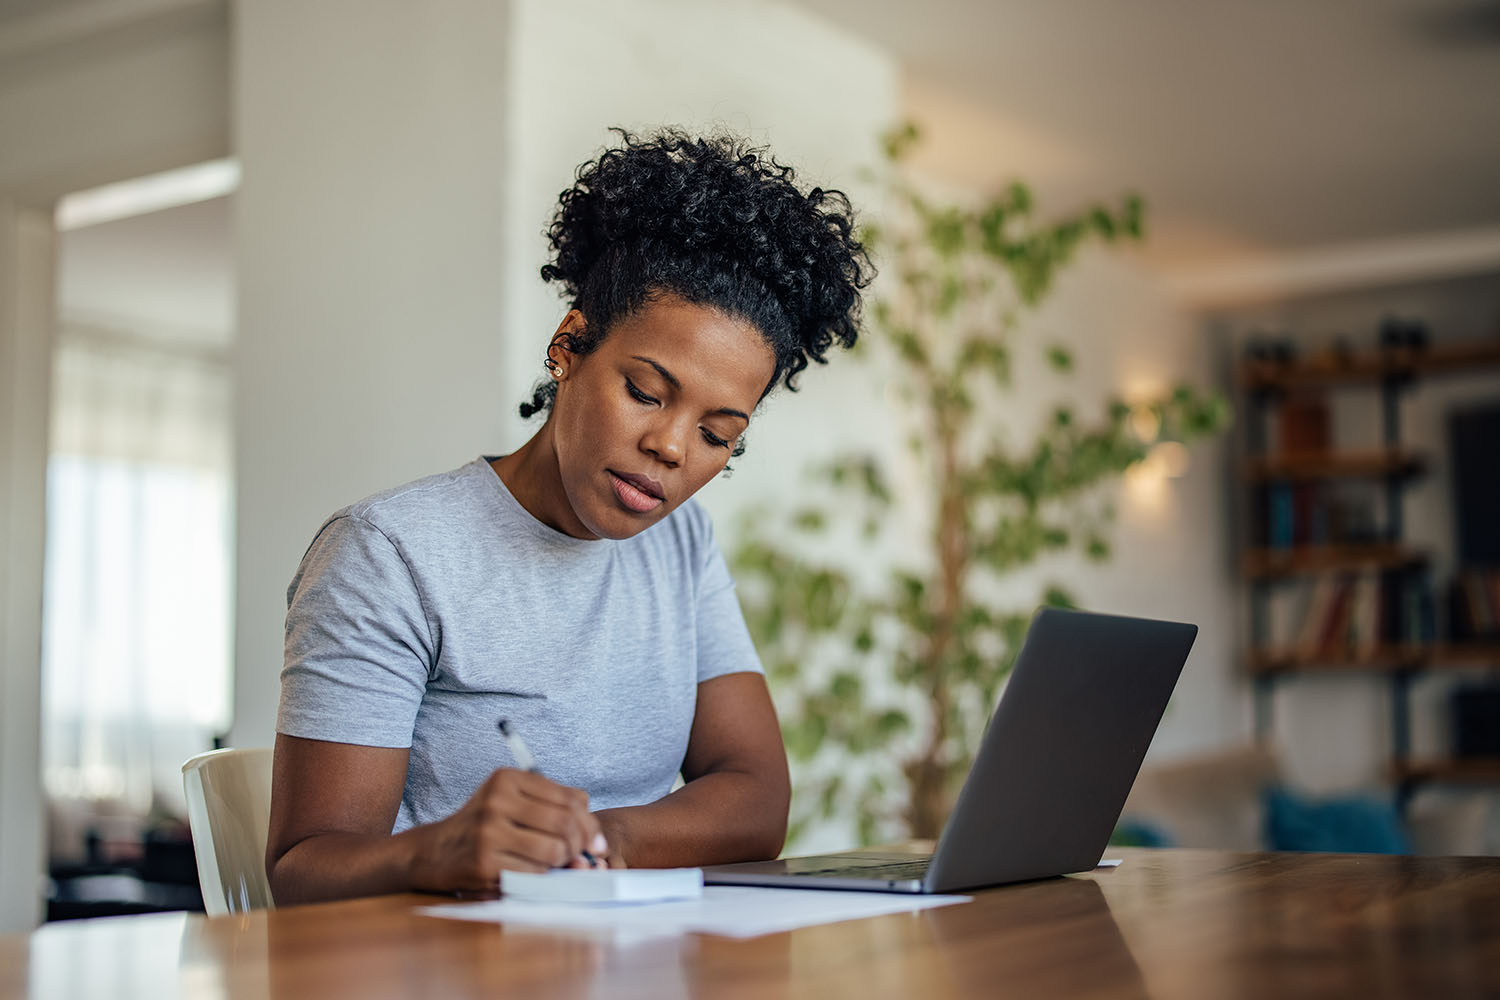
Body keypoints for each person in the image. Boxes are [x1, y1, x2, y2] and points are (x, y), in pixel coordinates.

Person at [265, 128, 872, 904]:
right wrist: (435, 852)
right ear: (570, 346)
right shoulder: (391, 554)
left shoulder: (680, 543)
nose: (671, 447)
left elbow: (757, 798)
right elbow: (300, 871)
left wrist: (596, 843)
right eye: (647, 392)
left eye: (718, 434)